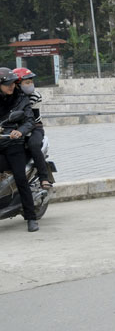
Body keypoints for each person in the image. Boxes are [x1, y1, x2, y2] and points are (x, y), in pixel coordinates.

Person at [0, 67, 39, 231]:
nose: (11, 87)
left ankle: (31, 217)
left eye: (13, 83)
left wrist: (20, 131)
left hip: (14, 144)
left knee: (21, 179)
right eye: (7, 84)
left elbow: (30, 120)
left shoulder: (21, 98)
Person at [11, 68, 52, 190]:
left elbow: (31, 120)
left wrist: (21, 131)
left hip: (35, 128)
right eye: (26, 82)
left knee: (33, 145)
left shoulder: (35, 96)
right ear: (17, 84)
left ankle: (44, 177)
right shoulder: (10, 97)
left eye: (31, 82)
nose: (30, 85)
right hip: (14, 129)